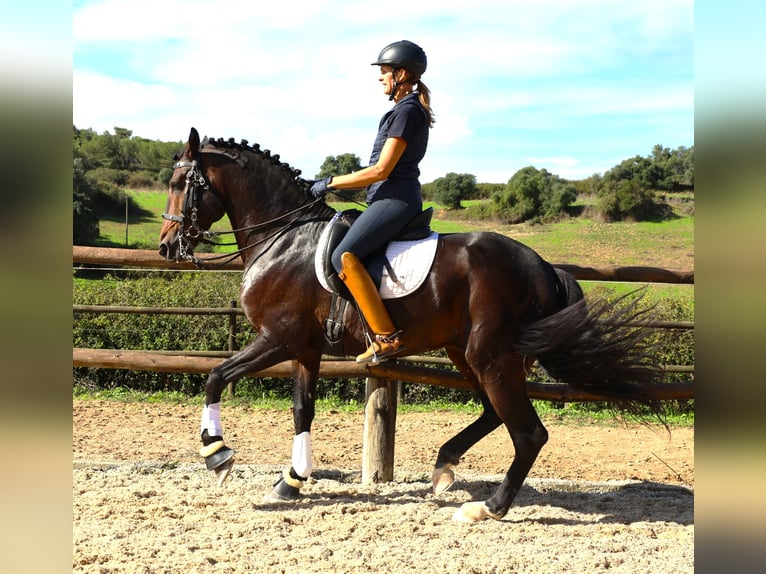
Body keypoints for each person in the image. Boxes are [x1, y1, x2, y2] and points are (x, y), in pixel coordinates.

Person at [309, 40, 435, 364]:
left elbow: (381, 170)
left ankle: (386, 336)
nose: (380, 78)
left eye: (384, 72)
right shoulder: (402, 110)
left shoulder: (407, 111)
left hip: (396, 198)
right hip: (386, 198)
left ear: (402, 74)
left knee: (342, 256)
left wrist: (329, 183)